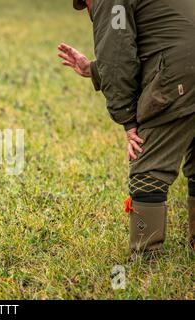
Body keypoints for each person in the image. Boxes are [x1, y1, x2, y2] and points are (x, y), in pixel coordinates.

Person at [58, 0, 195, 258]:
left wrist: (128, 120)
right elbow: (164, 34)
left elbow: (117, 56)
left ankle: (146, 257)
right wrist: (93, 69)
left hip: (179, 74)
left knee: (148, 168)